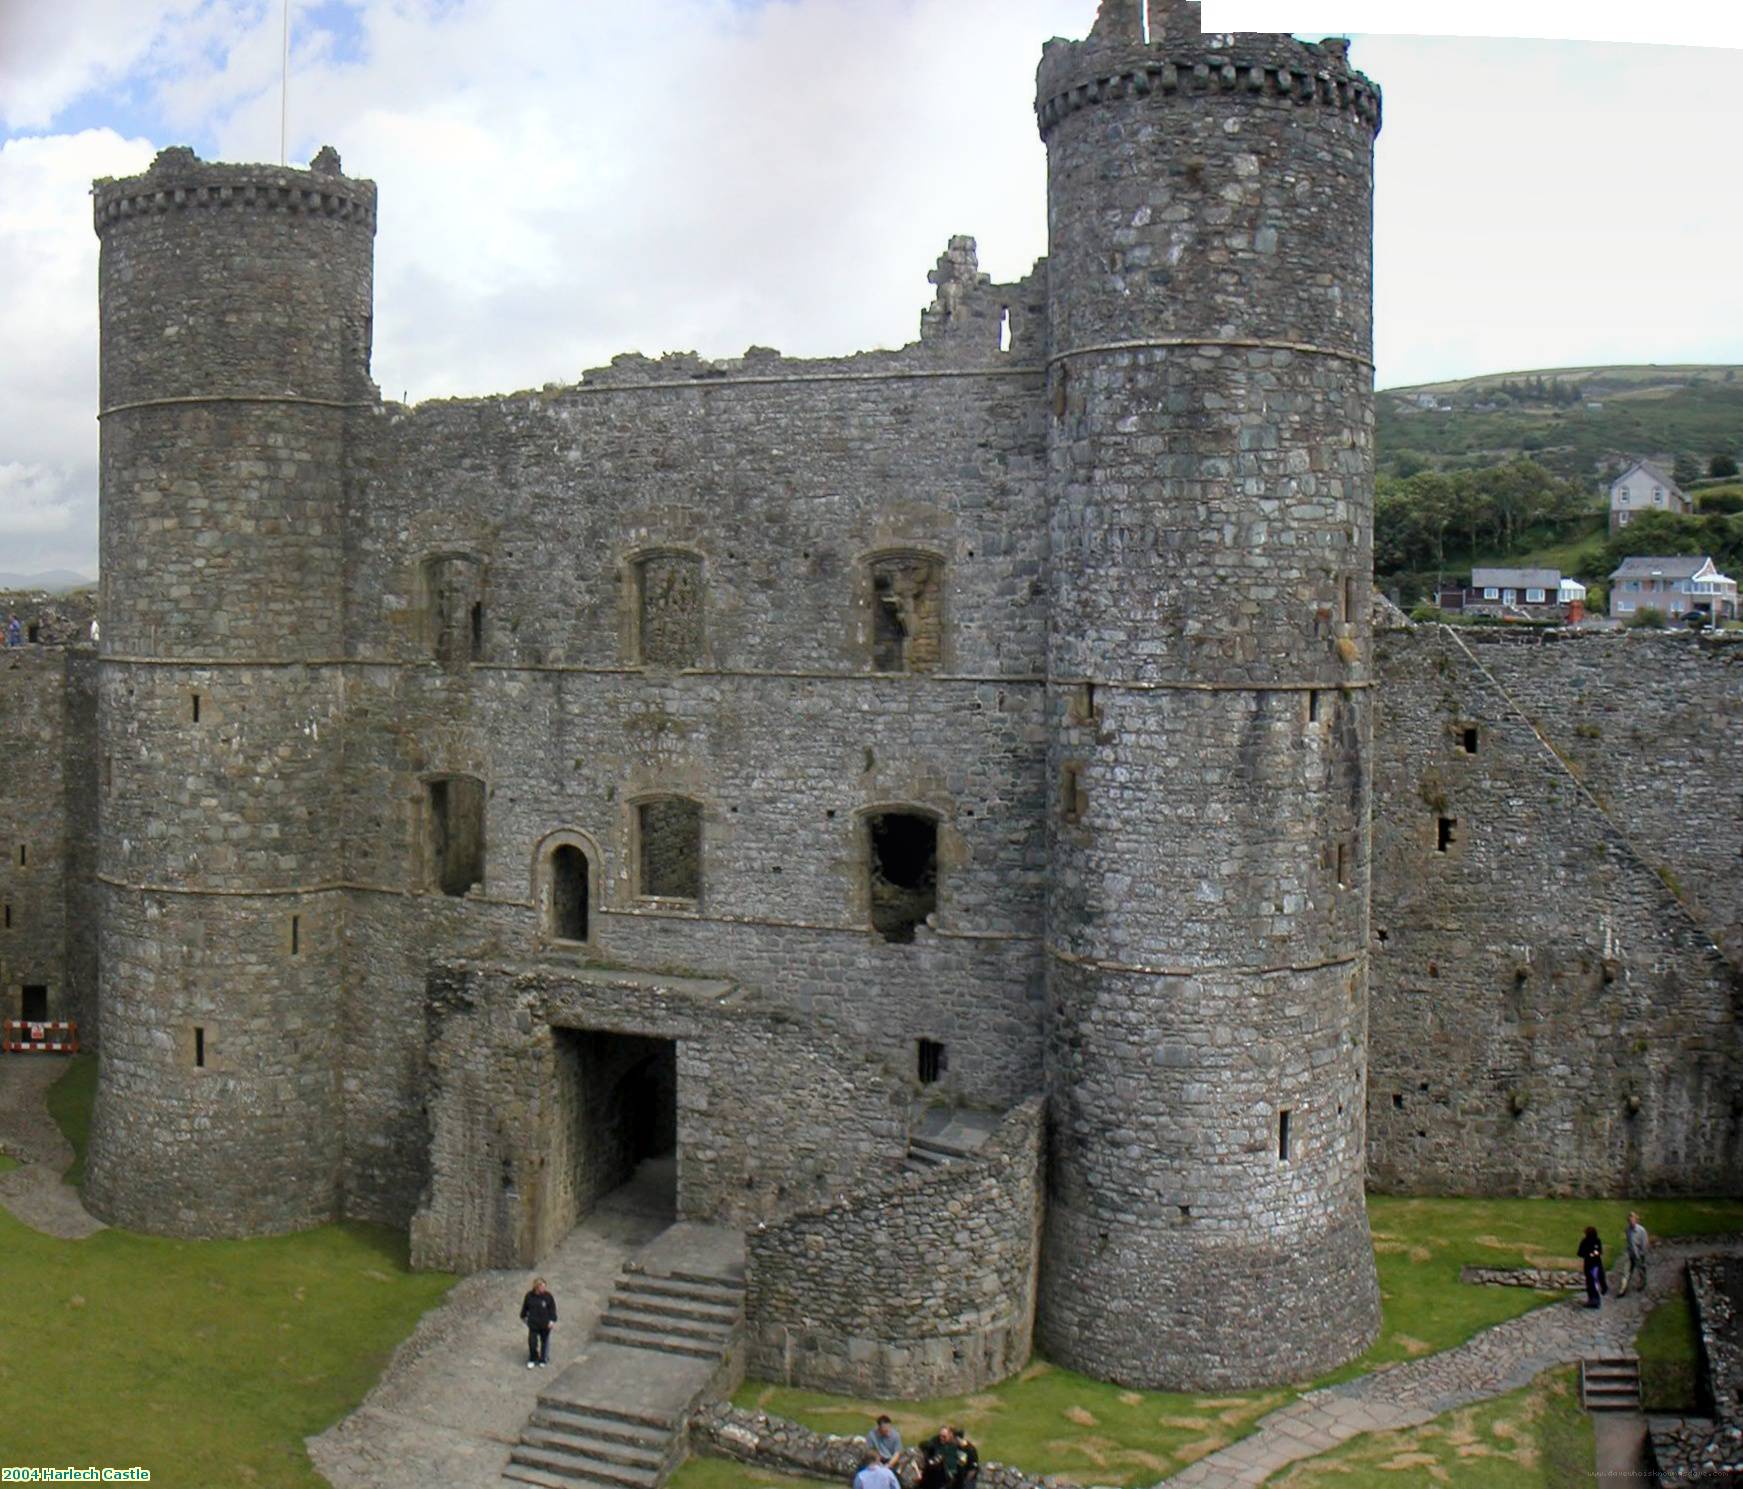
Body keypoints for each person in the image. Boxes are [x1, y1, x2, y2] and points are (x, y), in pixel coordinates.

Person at [520, 1276, 557, 1367]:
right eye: (542, 1287)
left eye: (545, 1287)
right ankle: (533, 1358)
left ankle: (543, 1359)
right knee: (532, 1342)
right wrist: (525, 1318)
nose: (544, 1289)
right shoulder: (529, 1296)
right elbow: (525, 1308)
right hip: (533, 1324)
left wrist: (552, 1321)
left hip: (545, 1325)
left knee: (544, 1343)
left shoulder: (548, 1297)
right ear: (537, 1287)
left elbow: (552, 1309)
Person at [1618, 1211, 1650, 1297]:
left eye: (1632, 1220)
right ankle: (1622, 1290)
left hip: (1639, 1255)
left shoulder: (1641, 1230)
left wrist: (1641, 1254)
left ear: (1636, 1220)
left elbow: (1645, 1243)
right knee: (1626, 1272)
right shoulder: (1627, 1229)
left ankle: (1642, 1283)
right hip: (1630, 1254)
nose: (1631, 1222)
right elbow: (1629, 1242)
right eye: (1629, 1220)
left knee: (1641, 1270)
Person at [1577, 1225, 1606, 1309]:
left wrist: (1594, 1254)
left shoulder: (1597, 1241)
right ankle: (1591, 1299)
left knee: (1594, 1281)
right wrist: (1589, 1254)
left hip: (1595, 1264)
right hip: (1588, 1264)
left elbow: (1599, 1251)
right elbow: (1580, 1253)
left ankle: (1596, 1299)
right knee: (1590, 1282)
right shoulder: (1584, 1241)